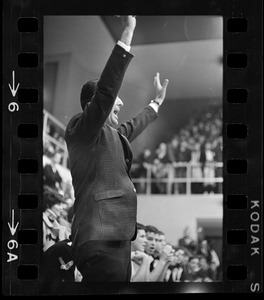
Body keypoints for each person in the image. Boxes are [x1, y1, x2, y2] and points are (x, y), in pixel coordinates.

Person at [64, 15, 169, 282]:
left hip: (116, 235)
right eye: (115, 102)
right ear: (92, 107)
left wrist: (155, 104)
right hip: (99, 235)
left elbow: (134, 125)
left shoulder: (111, 136)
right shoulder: (82, 130)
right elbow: (106, 94)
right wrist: (127, 35)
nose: (120, 106)